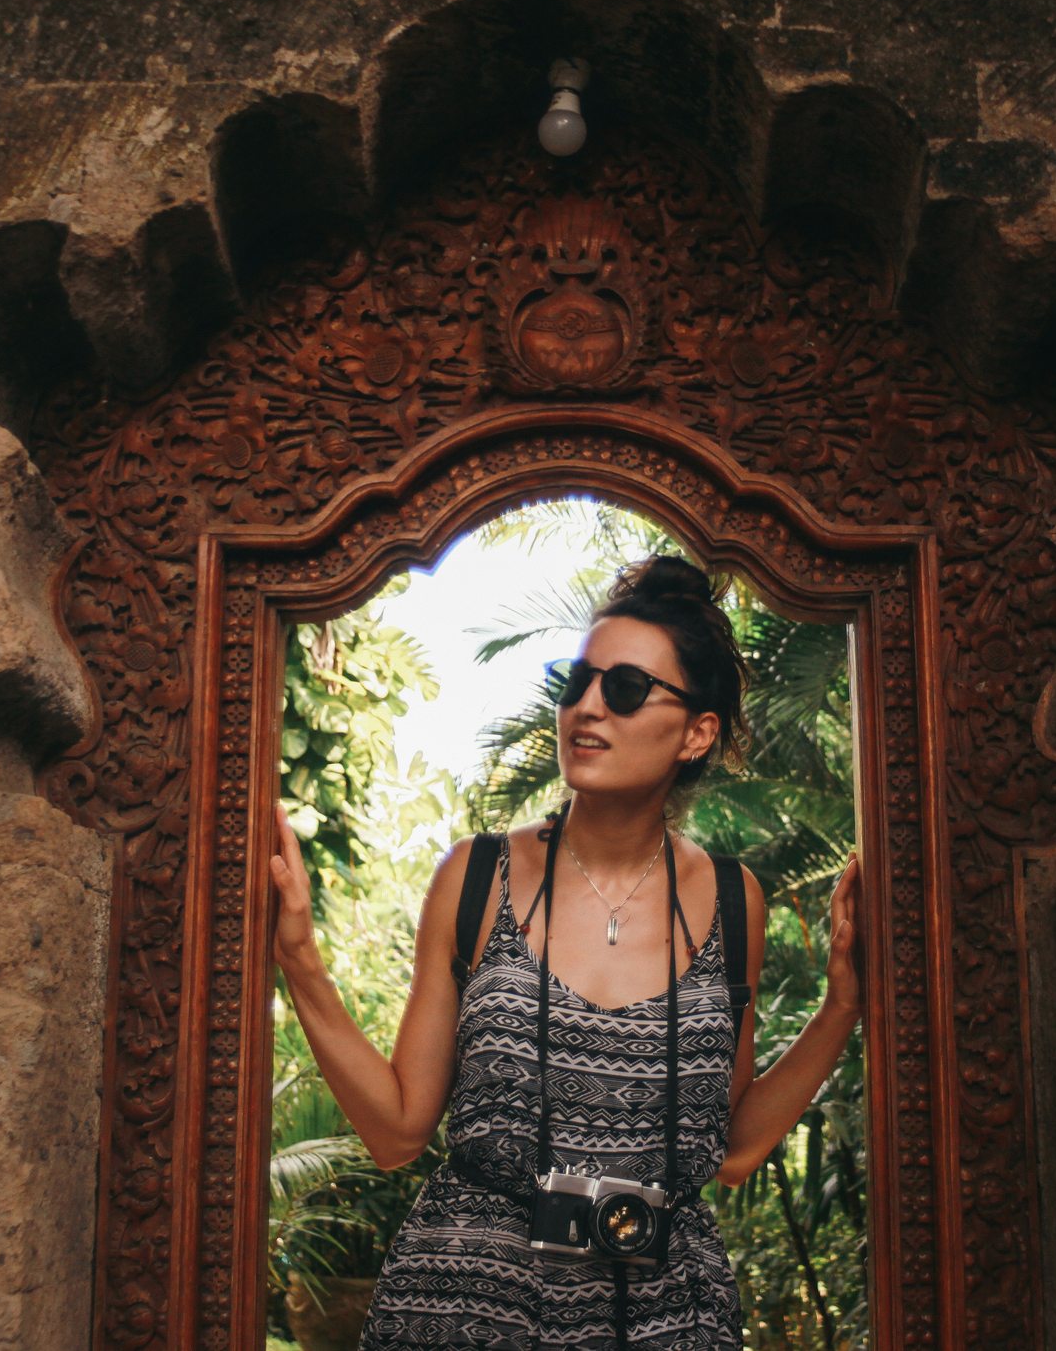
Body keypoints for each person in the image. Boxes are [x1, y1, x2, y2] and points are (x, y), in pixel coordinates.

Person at [269, 553, 864, 1349]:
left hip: (665, 1315)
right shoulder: (475, 876)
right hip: (466, 1304)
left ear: (697, 732)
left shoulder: (732, 901)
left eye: (622, 689)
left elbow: (731, 1147)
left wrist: (840, 1008)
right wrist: (301, 963)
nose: (585, 708)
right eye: (574, 682)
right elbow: (399, 1131)